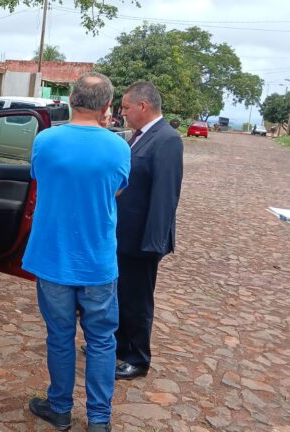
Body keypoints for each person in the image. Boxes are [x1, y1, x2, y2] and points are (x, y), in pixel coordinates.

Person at [22, 72, 130, 432]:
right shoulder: (119, 147)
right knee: (101, 340)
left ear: (71, 98)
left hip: (53, 259)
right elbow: (116, 191)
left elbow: (41, 180)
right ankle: (99, 419)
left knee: (60, 336)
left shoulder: (46, 140)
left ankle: (60, 408)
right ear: (108, 107)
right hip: (98, 261)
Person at [114, 81, 183, 380]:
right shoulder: (138, 138)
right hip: (124, 236)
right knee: (119, 295)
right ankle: (117, 348)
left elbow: (165, 195)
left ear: (143, 106)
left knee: (137, 300)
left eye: (126, 107)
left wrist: (153, 243)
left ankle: (137, 357)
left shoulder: (166, 139)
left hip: (143, 240)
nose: (123, 112)